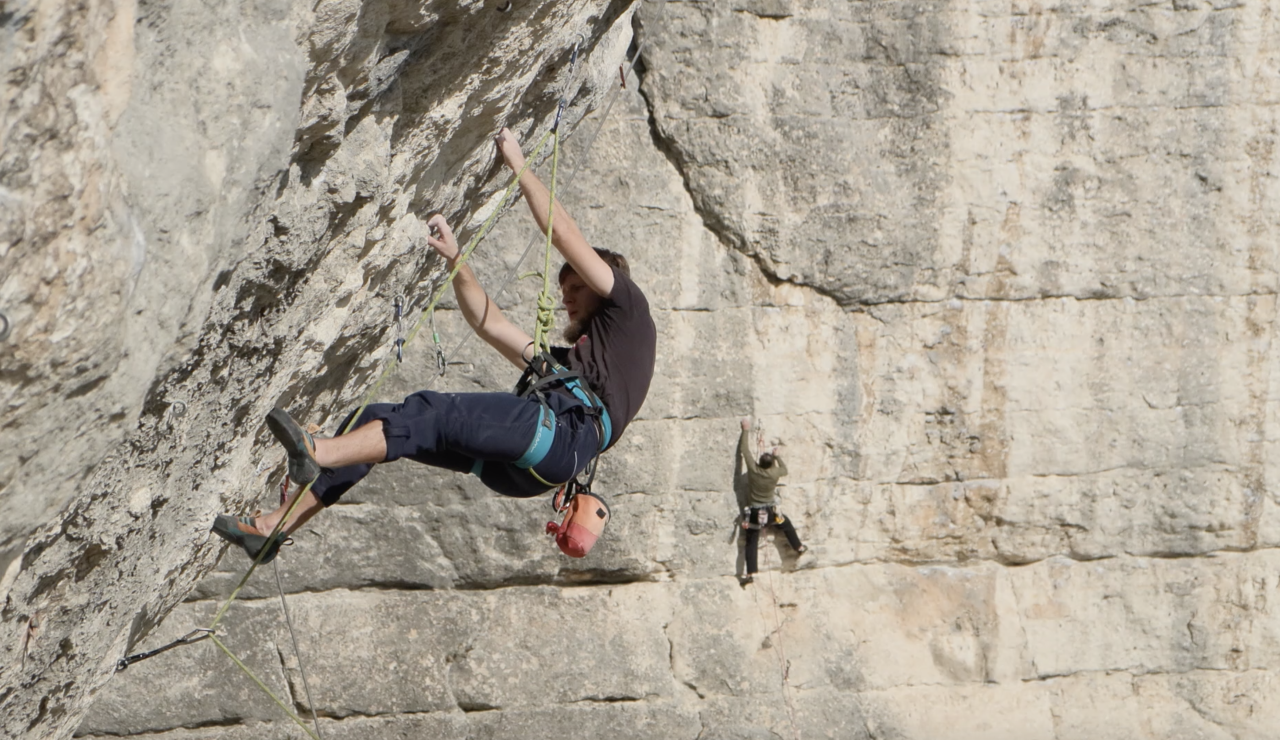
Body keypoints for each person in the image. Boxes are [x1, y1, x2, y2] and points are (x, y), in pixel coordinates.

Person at [212, 127, 657, 563]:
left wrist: (518, 163)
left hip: (558, 436)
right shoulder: (575, 368)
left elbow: (563, 234)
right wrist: (456, 261)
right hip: (534, 460)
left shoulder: (629, 306)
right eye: (565, 289)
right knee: (376, 419)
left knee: (431, 412)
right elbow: (493, 326)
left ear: (606, 284)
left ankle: (318, 452)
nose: (566, 296)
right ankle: (274, 528)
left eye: (576, 284)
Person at [738, 417, 805, 585]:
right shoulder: (775, 473)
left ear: (759, 463)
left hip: (754, 513)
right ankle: (798, 547)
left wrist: (745, 430)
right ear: (771, 465)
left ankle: (751, 573)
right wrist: (777, 457)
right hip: (770, 512)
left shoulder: (753, 470)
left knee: (751, 541)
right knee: (786, 524)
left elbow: (745, 451)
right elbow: (784, 470)